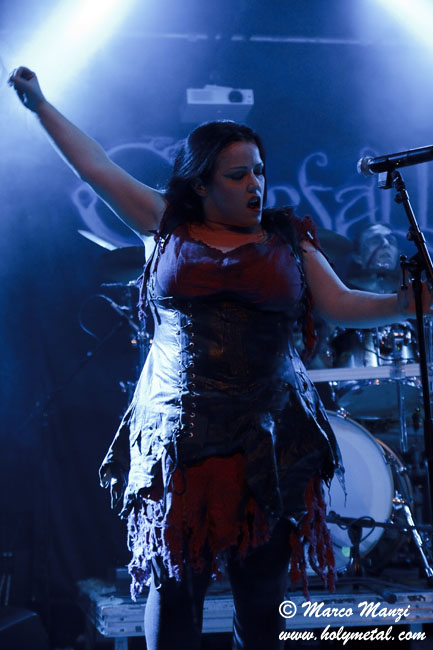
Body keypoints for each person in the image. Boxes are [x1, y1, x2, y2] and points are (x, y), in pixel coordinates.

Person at [9, 66, 433, 650]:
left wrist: (404, 303)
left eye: (259, 171)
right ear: (201, 185)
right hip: (183, 436)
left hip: (270, 431)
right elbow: (97, 167)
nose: (255, 184)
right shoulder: (166, 225)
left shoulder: (287, 237)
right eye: (238, 175)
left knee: (261, 596)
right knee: (176, 590)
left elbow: (339, 304)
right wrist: (39, 105)